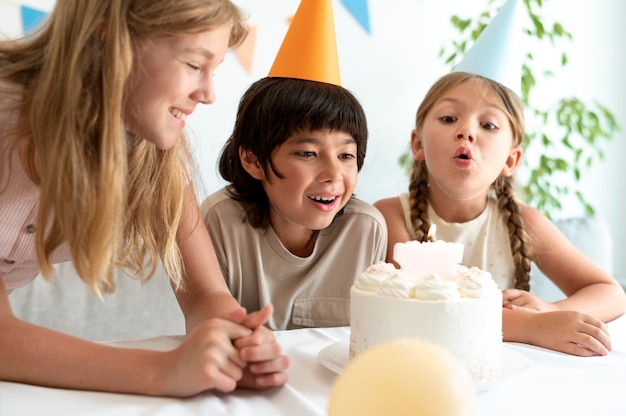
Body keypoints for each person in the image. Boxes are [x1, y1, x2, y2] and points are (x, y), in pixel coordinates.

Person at [0, 0, 289, 397]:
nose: (208, 94)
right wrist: (164, 371)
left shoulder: (154, 154)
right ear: (107, 38)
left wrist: (235, 347)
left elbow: (206, 296)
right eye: (193, 64)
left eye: (215, 70)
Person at [374, 71, 626, 356]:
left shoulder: (525, 222)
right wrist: (533, 326)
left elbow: (611, 293)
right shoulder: (389, 216)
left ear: (511, 159)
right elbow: (429, 311)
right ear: (418, 144)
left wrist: (550, 310)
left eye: (488, 124)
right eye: (448, 118)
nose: (466, 131)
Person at [201, 76, 387, 330]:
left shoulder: (366, 230)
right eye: (308, 153)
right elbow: (211, 334)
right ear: (254, 160)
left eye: (346, 155)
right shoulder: (219, 222)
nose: (333, 174)